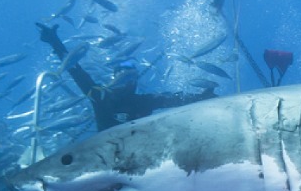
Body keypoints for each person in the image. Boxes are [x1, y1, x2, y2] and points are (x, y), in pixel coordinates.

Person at [36, 22, 215, 131]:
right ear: (114, 78)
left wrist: (202, 97)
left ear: (136, 81)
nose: (126, 82)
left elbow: (172, 99)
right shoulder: (100, 96)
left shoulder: (144, 101)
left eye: (131, 78)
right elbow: (76, 71)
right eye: (121, 76)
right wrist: (54, 41)